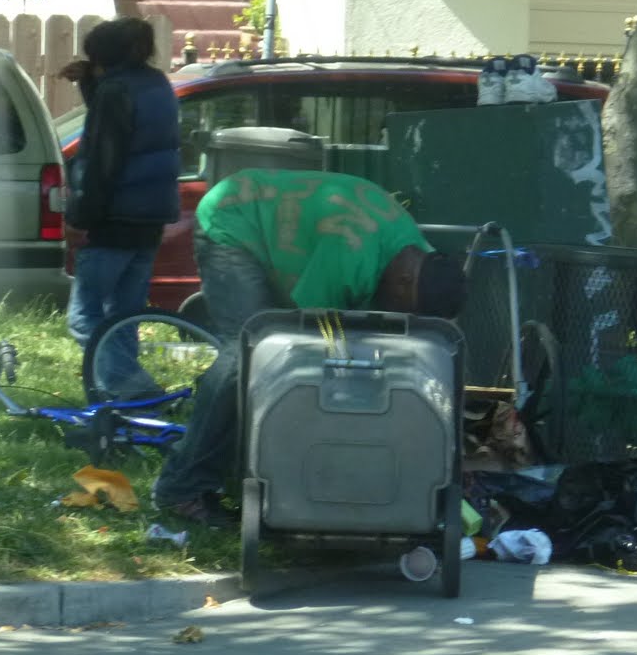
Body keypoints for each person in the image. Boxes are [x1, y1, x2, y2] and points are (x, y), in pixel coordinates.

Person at [153, 167, 467, 524]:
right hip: (234, 220)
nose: (397, 312)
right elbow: (316, 341)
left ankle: (239, 469)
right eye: (402, 304)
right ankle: (180, 488)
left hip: (283, 235)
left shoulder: (419, 255)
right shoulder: (348, 254)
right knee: (248, 353)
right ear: (405, 278)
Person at [62, 17, 181, 392]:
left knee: (85, 319)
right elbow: (130, 125)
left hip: (114, 218)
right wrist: (91, 82)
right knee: (123, 318)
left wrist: (81, 218)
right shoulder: (157, 84)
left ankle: (138, 391)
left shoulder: (116, 92)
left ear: (102, 56)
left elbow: (103, 160)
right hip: (151, 218)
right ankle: (119, 406)